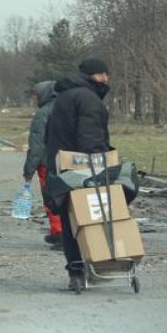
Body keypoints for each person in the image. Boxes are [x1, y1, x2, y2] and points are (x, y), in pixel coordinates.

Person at [45, 58, 112, 289]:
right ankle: (99, 265)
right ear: (93, 75)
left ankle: (75, 271)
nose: (106, 79)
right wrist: (102, 164)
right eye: (103, 74)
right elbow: (90, 137)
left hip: (62, 167)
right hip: (83, 169)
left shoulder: (64, 96)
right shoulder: (88, 98)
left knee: (69, 220)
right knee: (93, 218)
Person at [22, 80, 62, 249]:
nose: (35, 99)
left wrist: (29, 169)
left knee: (51, 198)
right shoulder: (67, 108)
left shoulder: (43, 113)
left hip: (48, 162)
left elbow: (37, 144)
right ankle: (64, 234)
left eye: (36, 96)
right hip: (69, 160)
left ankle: (59, 234)